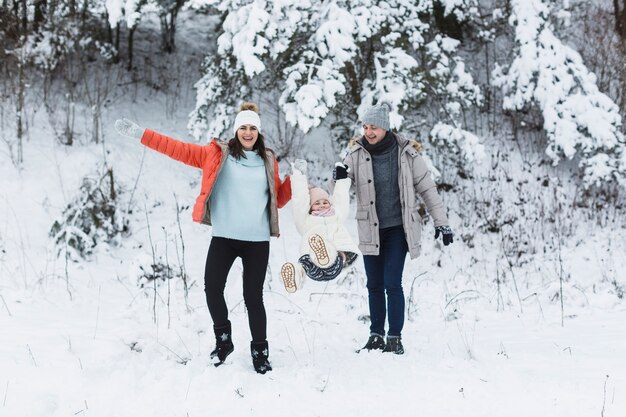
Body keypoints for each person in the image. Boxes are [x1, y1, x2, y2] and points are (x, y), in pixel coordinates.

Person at [114, 102, 292, 374]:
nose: (247, 132)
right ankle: (224, 341)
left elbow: (278, 199)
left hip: (257, 242)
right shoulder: (217, 155)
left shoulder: (268, 160)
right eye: (243, 127)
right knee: (212, 289)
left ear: (258, 131)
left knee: (253, 298)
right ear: (235, 130)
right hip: (224, 237)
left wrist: (296, 179)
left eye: (252, 128)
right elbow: (177, 149)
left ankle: (260, 352)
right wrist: (142, 134)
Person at [335, 103, 454, 355]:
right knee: (374, 284)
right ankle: (376, 335)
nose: (368, 132)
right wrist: (339, 176)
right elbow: (340, 187)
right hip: (370, 227)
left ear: (385, 127)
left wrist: (441, 223)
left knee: (392, 282)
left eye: (373, 127)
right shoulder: (355, 153)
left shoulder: (407, 154)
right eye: (365, 127)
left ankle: (395, 337)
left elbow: (428, 190)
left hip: (398, 228)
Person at [280, 159, 359, 293]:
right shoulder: (305, 220)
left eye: (325, 201)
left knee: (334, 255)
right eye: (317, 203)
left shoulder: (336, 214)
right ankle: (296, 276)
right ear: (310, 207)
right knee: (305, 265)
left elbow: (341, 198)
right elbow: (300, 200)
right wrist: (299, 175)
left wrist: (341, 179)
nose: (322, 204)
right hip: (312, 261)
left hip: (336, 262)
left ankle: (326, 255)